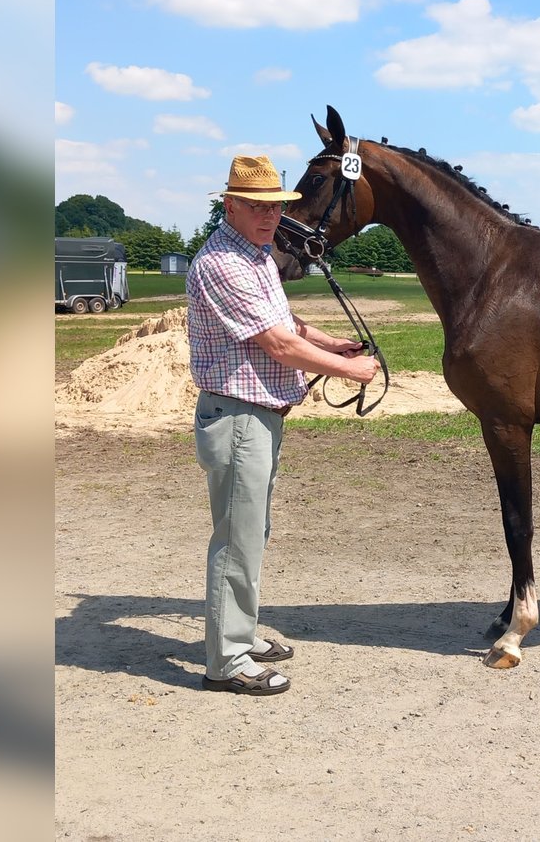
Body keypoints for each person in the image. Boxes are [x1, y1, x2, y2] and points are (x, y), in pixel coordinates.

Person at [186, 154, 380, 696]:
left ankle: (239, 636)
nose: (269, 214)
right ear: (229, 205)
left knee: (251, 533)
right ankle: (225, 662)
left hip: (257, 416)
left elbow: (287, 323)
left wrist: (330, 343)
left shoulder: (256, 256)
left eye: (276, 205)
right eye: (257, 206)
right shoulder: (224, 262)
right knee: (236, 539)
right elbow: (276, 344)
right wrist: (350, 369)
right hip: (239, 417)